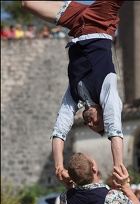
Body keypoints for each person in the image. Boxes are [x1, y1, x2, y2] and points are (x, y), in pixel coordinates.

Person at [21, 1, 125, 183]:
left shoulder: (74, 96)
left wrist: (59, 166)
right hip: (101, 21)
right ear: (104, 113)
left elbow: (59, 131)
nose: (90, 124)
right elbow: (115, 131)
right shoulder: (108, 93)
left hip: (77, 24)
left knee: (26, 4)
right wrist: (118, 168)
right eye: (98, 123)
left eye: (90, 127)